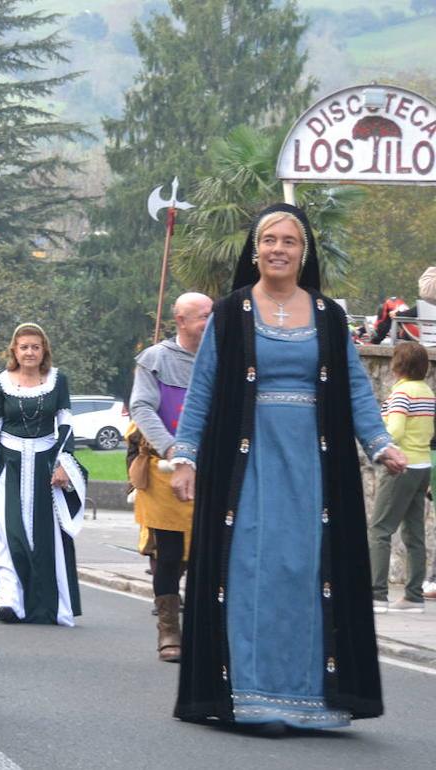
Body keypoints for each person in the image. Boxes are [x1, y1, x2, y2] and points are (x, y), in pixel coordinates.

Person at [170, 203, 406, 730]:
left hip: (314, 467)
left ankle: (308, 700)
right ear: (255, 250)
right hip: (245, 467)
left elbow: (356, 389)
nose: (278, 249)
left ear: (304, 253)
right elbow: (203, 388)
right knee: (250, 569)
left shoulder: (328, 315)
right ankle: (249, 695)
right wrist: (185, 456)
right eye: (269, 240)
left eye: (289, 241)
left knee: (305, 572)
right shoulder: (231, 312)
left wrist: (380, 444)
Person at [0, 323, 86, 627]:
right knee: (11, 534)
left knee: (45, 539)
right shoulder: (0, 384)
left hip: (46, 467)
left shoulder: (58, 382)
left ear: (43, 349)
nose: (30, 352)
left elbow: (66, 426)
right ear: (14, 351)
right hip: (11, 466)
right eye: (24, 347)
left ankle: (42, 605)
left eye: (35, 346)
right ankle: (8, 599)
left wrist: (64, 464)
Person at [128, 292, 212, 662]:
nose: (211, 323)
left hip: (211, 470)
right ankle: (169, 630)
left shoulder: (224, 359)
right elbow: (142, 407)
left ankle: (202, 627)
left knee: (207, 555)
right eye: (204, 317)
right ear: (181, 320)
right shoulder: (155, 359)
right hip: (164, 472)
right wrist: (171, 448)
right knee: (171, 554)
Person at [368, 340, 433, 614]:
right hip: (422, 468)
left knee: (380, 530)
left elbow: (393, 431)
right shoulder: (428, 392)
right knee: (414, 532)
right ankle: (413, 595)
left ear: (397, 365)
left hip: (400, 466)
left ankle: (376, 594)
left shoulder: (401, 394)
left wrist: (375, 432)